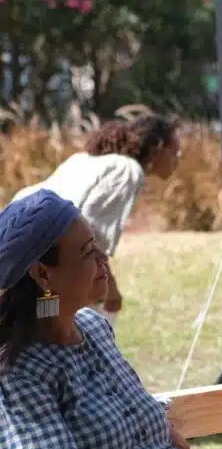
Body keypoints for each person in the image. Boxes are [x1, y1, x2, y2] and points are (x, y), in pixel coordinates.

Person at [0, 189, 210, 449]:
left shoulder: (94, 328)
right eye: (87, 251)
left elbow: (132, 415)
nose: (103, 258)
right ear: (43, 275)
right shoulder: (19, 374)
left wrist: (160, 431)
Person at [13, 114, 181, 320]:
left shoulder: (86, 159)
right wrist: (111, 289)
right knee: (77, 323)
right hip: (41, 251)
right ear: (158, 147)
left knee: (41, 326)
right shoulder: (127, 170)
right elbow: (90, 232)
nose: (178, 159)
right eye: (175, 151)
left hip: (20, 244)